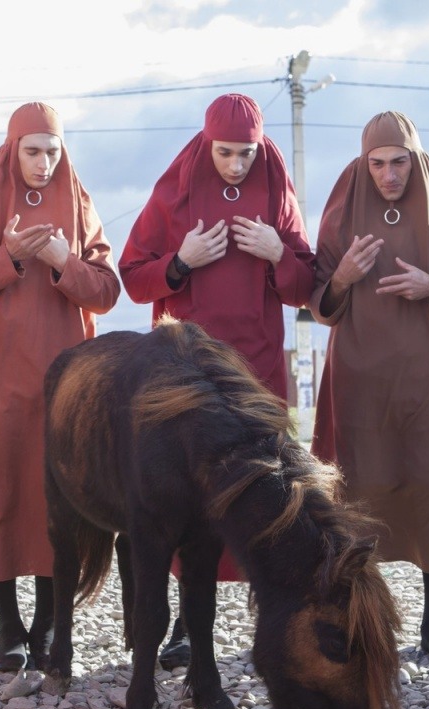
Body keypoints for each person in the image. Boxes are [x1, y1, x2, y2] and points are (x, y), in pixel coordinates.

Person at [120, 93, 316, 668]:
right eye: (225, 153)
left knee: (261, 490)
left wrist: (279, 251)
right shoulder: (173, 190)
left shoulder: (277, 189)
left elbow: (305, 287)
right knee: (185, 491)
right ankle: (183, 622)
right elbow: (133, 278)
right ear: (208, 143)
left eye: (246, 154)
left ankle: (276, 616)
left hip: (255, 371)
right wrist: (179, 262)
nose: (236, 165)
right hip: (186, 374)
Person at [0, 102, 120, 672]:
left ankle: (47, 623)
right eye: (33, 151)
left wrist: (64, 259)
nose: (44, 163)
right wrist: (8, 257)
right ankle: (8, 626)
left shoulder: (78, 200)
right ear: (13, 149)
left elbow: (107, 291)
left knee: (57, 498)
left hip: (65, 380)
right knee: (0, 490)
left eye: (53, 152)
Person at [309, 111, 429, 665]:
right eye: (378, 163)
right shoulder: (342, 208)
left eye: (399, 162)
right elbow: (318, 300)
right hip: (357, 379)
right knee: (358, 488)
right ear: (364, 162)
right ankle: (358, 617)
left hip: (427, 376)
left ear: (416, 157)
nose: (388, 175)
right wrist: (342, 278)